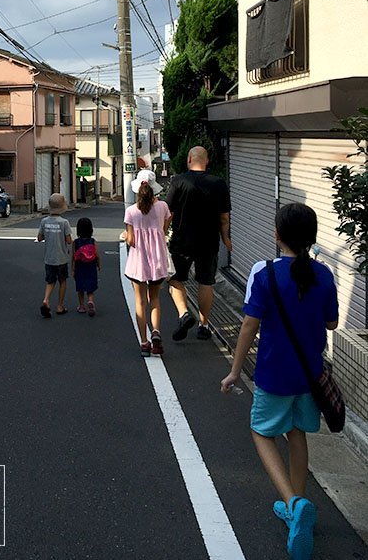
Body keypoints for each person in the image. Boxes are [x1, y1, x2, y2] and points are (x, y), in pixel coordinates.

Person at [221, 203, 339, 560]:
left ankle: (292, 502)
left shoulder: (265, 273)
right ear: (312, 237)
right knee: (296, 432)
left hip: (273, 372)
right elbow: (332, 324)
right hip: (310, 375)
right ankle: (297, 507)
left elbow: (248, 325)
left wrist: (235, 370)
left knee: (261, 431)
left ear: (277, 235)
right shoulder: (324, 275)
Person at [166, 145, 232, 342]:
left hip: (182, 240)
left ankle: (184, 313)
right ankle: (204, 326)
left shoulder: (178, 181)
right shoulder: (219, 183)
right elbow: (224, 217)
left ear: (188, 159)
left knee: (174, 278)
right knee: (206, 281)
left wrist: (161, 234)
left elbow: (168, 213)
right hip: (209, 240)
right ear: (207, 161)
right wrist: (226, 238)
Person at [124, 169, 172, 357]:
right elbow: (164, 228)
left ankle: (144, 343)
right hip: (158, 260)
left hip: (138, 262)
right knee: (155, 299)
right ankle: (156, 333)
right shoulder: (162, 207)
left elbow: (130, 240)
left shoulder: (131, 212)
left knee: (140, 301)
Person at [37, 193, 72, 318]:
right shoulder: (64, 223)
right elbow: (69, 240)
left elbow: (40, 238)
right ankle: (60, 306)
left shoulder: (44, 221)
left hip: (49, 258)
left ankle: (46, 300)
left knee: (50, 281)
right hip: (61, 258)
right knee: (62, 281)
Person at [72, 217, 100, 316]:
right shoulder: (92, 241)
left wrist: (73, 269)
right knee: (90, 287)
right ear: (91, 230)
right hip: (91, 267)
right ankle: (91, 301)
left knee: (80, 287)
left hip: (80, 267)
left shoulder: (76, 242)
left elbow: (73, 257)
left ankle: (81, 306)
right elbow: (97, 255)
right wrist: (98, 265)